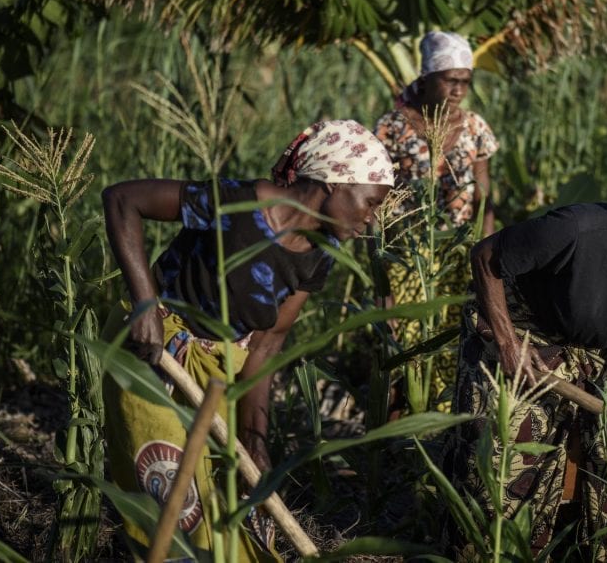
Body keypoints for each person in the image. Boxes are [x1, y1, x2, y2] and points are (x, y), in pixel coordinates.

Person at [100, 120, 393, 558]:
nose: (372, 217)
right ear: (334, 182)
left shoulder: (320, 256)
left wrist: (256, 440)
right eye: (370, 202)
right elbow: (122, 199)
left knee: (243, 515)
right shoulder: (235, 204)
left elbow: (266, 346)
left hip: (223, 375)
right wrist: (145, 305)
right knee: (178, 503)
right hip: (155, 352)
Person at [444, 155, 607, 559]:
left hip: (583, 348)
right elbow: (486, 257)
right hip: (518, 332)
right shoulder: (578, 229)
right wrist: (506, 344)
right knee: (504, 457)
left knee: (599, 457)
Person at [373, 31, 499, 413]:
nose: (459, 89)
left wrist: (487, 260)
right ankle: (396, 439)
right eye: (451, 80)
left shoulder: (475, 127)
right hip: (406, 253)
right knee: (405, 344)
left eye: (465, 81)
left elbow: (484, 200)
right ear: (427, 78)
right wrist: (379, 269)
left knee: (450, 342)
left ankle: (439, 432)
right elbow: (376, 200)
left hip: (455, 252)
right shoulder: (393, 127)